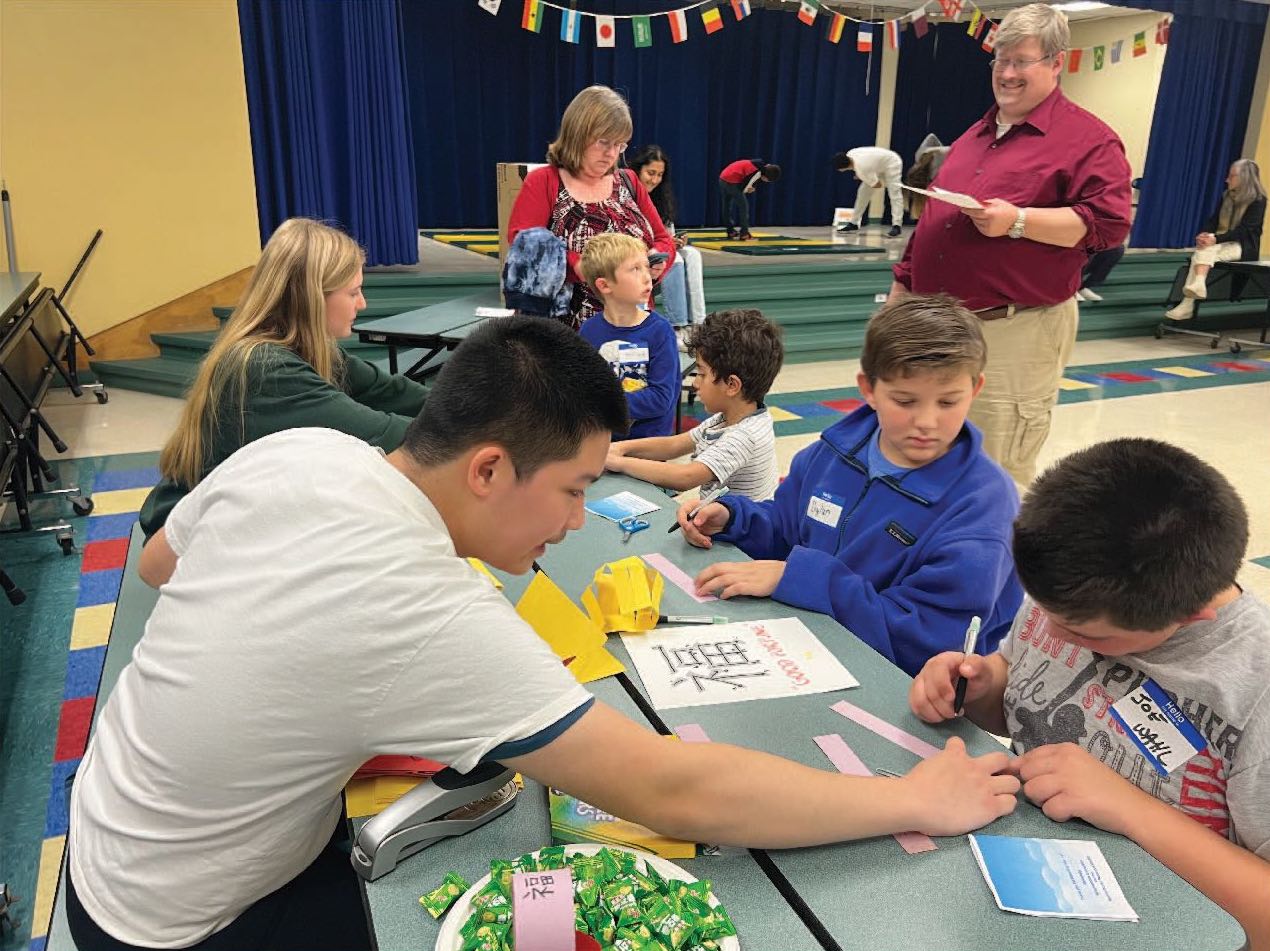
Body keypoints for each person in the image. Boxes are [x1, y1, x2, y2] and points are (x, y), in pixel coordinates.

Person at [68, 316, 1021, 951]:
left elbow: (161, 567)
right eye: (570, 489)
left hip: (108, 823)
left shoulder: (306, 452)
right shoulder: (431, 612)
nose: (574, 521)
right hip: (180, 915)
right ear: (487, 468)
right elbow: (672, 786)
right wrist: (915, 797)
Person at [909, 438, 1270, 949]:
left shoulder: (1255, 692)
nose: (1054, 636)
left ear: (1190, 617)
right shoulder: (1075, 589)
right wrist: (982, 686)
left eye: (1088, 637)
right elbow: (1026, 699)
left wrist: (1133, 810)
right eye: (1043, 611)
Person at [675, 294, 1023, 678]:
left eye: (948, 402)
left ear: (975, 389)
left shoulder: (983, 510)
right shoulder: (832, 454)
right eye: (905, 401)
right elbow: (789, 526)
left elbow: (925, 644)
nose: (926, 421)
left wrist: (802, 578)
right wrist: (733, 518)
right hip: (804, 649)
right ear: (868, 388)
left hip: (895, 691)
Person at [889, 3, 1131, 488]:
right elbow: (935, 220)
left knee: (994, 469)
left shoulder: (1088, 140)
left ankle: (992, 563)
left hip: (1014, 329)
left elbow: (1109, 224)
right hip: (938, 324)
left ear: (1056, 63)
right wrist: (901, 294)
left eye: (1023, 60)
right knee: (927, 460)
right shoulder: (974, 136)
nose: (1008, 73)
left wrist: (1018, 221)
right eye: (1000, 60)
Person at [137, 217, 426, 542]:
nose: (362, 304)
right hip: (190, 542)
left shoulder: (304, 350)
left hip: (227, 524)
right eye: (354, 292)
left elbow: (398, 394)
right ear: (312, 298)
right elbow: (391, 436)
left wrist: (481, 404)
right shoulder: (263, 369)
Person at [506, 85, 675, 329]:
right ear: (577, 134)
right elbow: (524, 245)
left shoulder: (629, 181)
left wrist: (658, 260)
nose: (612, 153)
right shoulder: (545, 181)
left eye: (620, 145)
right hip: (566, 331)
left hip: (634, 327)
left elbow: (663, 238)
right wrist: (577, 265)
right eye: (604, 142)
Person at [605, 309, 783, 500]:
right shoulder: (727, 419)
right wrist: (620, 449)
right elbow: (674, 445)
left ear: (732, 385)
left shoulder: (744, 437)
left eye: (702, 373)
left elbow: (685, 477)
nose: (695, 383)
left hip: (741, 529)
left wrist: (619, 463)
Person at [577, 234, 679, 441]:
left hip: (648, 446)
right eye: (635, 269)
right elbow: (582, 391)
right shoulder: (589, 332)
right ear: (605, 286)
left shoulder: (660, 331)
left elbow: (661, 398)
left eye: (646, 267)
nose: (647, 276)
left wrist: (601, 405)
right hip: (601, 442)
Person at [1165, 159, 1267, 320]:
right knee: (1205, 248)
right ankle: (1197, 286)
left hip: (1243, 246)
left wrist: (1215, 239)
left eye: (1231, 176)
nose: (1227, 179)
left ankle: (1188, 301)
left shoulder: (1258, 200)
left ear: (1244, 178)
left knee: (1204, 251)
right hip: (1220, 241)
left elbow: (1246, 230)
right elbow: (1213, 221)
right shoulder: (1226, 195)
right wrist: (1205, 234)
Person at [629, 144, 706, 334]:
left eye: (659, 175)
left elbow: (665, 233)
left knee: (693, 255)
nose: (655, 179)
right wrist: (667, 245)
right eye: (650, 173)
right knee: (675, 259)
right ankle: (677, 325)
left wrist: (676, 240)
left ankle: (697, 323)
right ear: (637, 170)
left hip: (660, 250)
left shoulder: (661, 198)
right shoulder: (626, 194)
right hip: (638, 253)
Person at [833, 147, 904, 238]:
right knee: (863, 193)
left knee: (894, 194)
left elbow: (877, 185)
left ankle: (897, 225)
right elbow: (864, 167)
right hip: (878, 165)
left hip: (892, 162)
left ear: (843, 168)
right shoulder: (851, 153)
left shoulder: (862, 169)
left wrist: (891, 184)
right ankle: (854, 223)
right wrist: (865, 177)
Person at [717, 158, 782, 241]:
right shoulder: (757, 172)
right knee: (743, 207)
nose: (766, 181)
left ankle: (730, 231)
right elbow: (744, 187)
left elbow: (751, 179)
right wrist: (749, 189)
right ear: (766, 176)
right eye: (768, 180)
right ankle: (744, 233)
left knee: (726, 206)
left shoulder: (760, 165)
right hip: (731, 181)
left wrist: (752, 187)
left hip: (723, 178)